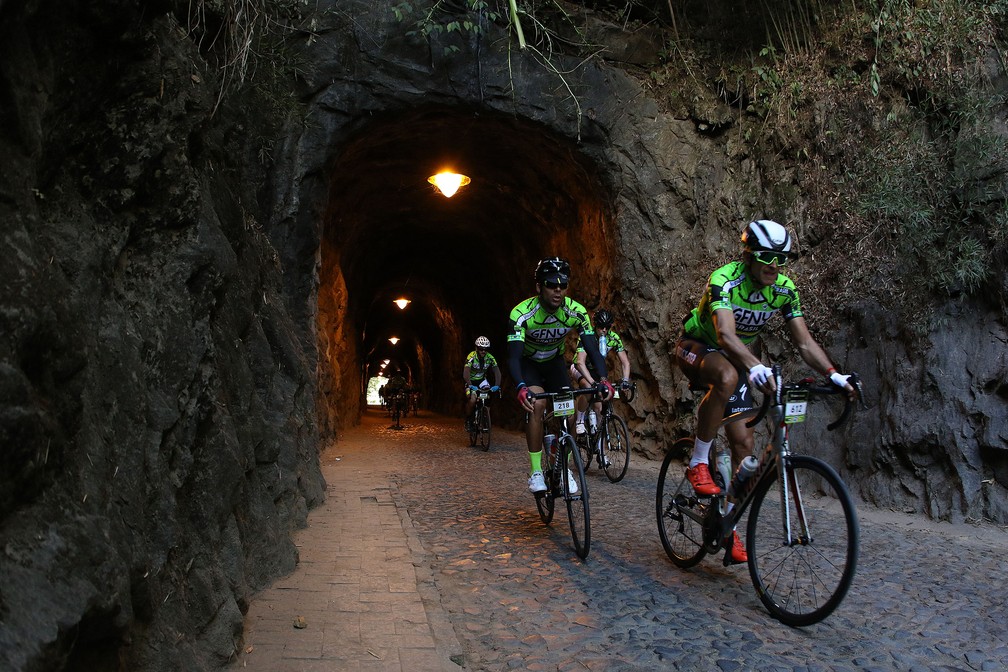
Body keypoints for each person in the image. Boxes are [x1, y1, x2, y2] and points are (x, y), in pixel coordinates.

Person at [673, 219, 856, 564]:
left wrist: (834, 375)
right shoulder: (724, 279)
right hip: (698, 345)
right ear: (748, 256)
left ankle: (726, 525)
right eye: (767, 259)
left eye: (782, 259)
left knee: (745, 446)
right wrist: (754, 365)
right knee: (727, 375)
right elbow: (726, 335)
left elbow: (803, 341)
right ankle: (698, 461)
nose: (775, 267)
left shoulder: (785, 289)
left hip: (740, 357)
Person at [508, 257, 614, 494]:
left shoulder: (576, 312)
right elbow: (514, 357)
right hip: (529, 363)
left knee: (567, 412)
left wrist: (604, 379)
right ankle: (536, 472)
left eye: (563, 285)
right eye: (550, 284)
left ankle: (564, 467)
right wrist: (521, 386)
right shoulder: (521, 313)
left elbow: (592, 349)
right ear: (539, 286)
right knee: (538, 404)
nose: (557, 290)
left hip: (554, 362)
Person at [572, 308, 632, 437]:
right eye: (600, 327)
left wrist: (626, 380)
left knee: (599, 408)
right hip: (580, 368)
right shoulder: (586, 336)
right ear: (595, 325)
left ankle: (599, 447)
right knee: (588, 389)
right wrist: (593, 383)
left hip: (596, 371)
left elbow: (625, 362)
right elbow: (580, 363)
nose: (604, 330)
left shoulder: (613, 338)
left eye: (607, 327)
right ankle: (580, 420)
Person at [462, 336, 502, 431]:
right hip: (470, 380)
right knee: (472, 400)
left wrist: (497, 385)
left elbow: (497, 372)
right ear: (476, 348)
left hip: (481, 380)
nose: (483, 351)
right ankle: (468, 420)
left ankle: (484, 417)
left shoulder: (490, 358)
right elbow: (466, 373)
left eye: (486, 349)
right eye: (481, 349)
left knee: (488, 395)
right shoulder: (471, 356)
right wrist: (470, 385)